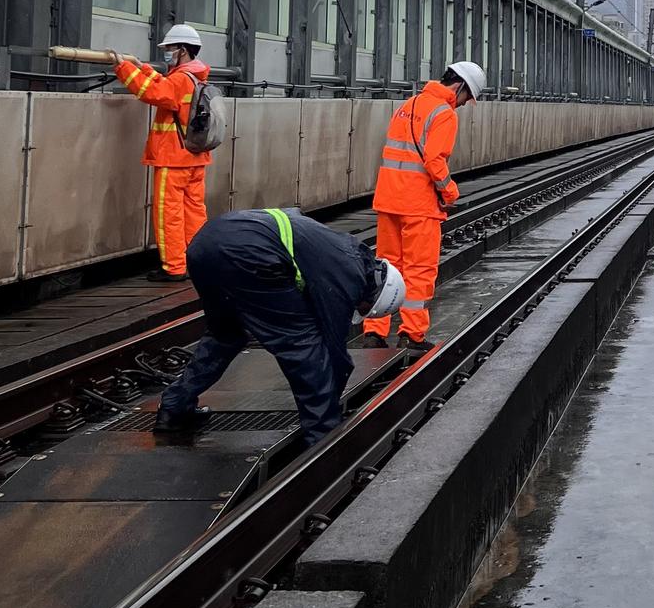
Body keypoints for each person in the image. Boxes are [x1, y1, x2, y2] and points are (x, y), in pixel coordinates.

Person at [153, 206, 405, 446]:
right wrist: (330, 402)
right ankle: (322, 437)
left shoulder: (342, 251)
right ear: (374, 294)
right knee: (302, 344)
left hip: (205, 245)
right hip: (250, 254)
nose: (356, 310)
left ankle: (175, 408)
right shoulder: (350, 273)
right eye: (362, 309)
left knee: (225, 336)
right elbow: (333, 348)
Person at [362, 60, 486, 352]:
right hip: (418, 205)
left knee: (386, 267)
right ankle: (412, 335)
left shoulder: (409, 104)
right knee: (419, 270)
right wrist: (450, 191)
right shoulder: (444, 113)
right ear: (460, 88)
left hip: (389, 200)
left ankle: (373, 332)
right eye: (467, 98)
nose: (464, 104)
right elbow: (434, 160)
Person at [111, 23, 212, 282]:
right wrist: (143, 68)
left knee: (169, 213)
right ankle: (198, 260)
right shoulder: (195, 76)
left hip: (173, 157)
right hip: (195, 156)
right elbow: (165, 85)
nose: (166, 52)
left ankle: (174, 268)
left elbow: (154, 93)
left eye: (169, 48)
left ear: (182, 50)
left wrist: (124, 69)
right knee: (194, 212)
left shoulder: (180, 79)